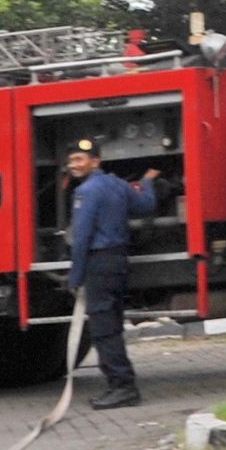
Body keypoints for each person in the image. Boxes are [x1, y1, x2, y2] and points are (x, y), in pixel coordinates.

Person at [67, 145, 155, 407]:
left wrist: (75, 276)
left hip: (98, 263)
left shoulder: (85, 191)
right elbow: (146, 205)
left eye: (79, 159)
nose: (74, 165)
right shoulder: (117, 184)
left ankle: (122, 387)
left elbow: (81, 237)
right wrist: (148, 181)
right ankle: (121, 385)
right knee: (112, 324)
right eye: (71, 160)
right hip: (118, 261)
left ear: (95, 162)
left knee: (104, 329)